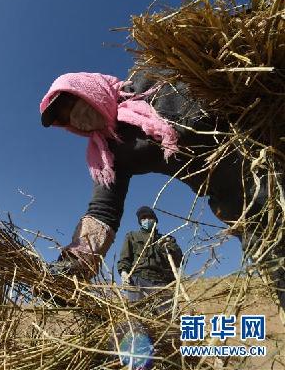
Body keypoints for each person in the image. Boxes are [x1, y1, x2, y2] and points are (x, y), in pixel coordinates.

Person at [38, 70, 283, 308]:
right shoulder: (108, 155)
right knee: (274, 262)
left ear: (90, 90)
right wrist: (71, 269)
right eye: (69, 118)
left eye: (76, 105)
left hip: (261, 160)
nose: (78, 119)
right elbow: (102, 213)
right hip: (233, 202)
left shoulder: (149, 82)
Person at [118, 206, 183, 313]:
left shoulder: (167, 238)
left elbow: (179, 260)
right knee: (137, 315)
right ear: (140, 222)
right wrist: (124, 272)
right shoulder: (132, 236)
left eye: (149, 218)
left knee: (168, 317)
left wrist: (170, 246)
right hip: (138, 280)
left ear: (155, 220)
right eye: (143, 219)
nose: (147, 221)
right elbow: (125, 258)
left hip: (162, 282)